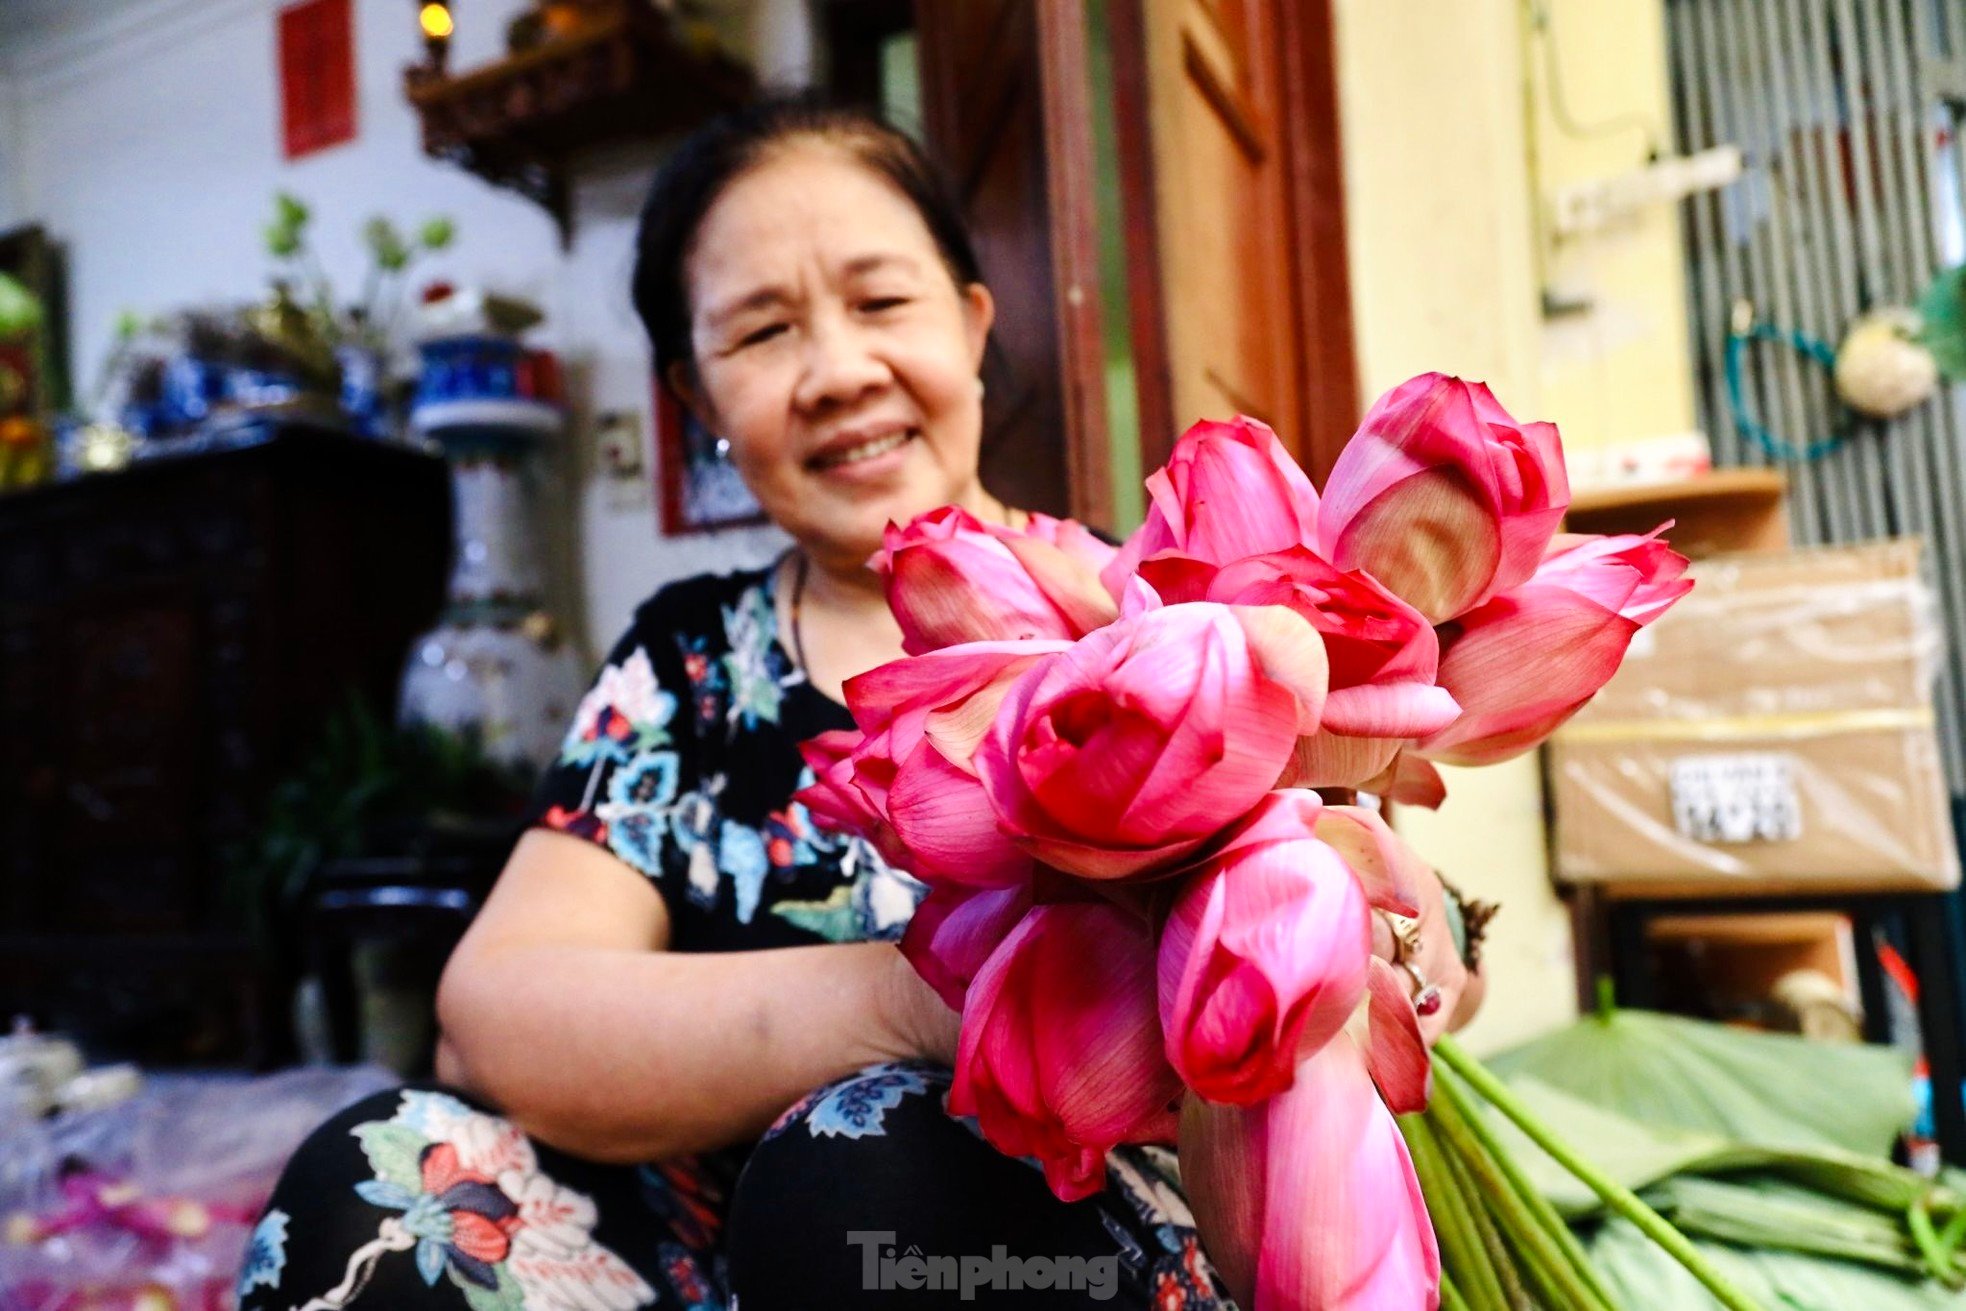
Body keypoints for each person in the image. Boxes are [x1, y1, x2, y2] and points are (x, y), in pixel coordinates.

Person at [236, 93, 1484, 1311]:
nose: (837, 370)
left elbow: (1395, 942)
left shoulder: (1171, 614)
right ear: (697, 404)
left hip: (1059, 1240)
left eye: (883, 301)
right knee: (378, 1186)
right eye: (761, 333)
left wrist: (1407, 941)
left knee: (868, 1178)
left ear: (974, 321)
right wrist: (918, 1000)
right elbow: (500, 1017)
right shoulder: (683, 668)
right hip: (704, 1249)